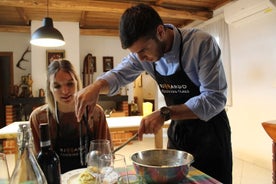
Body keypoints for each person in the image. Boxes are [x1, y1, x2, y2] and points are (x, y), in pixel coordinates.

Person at [74, 3, 232, 184]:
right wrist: (96, 86)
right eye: (135, 53)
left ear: (160, 31)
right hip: (179, 133)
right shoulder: (142, 55)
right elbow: (119, 74)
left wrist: (166, 113)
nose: (140, 59)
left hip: (211, 134)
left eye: (143, 50)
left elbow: (215, 98)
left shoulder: (201, 44)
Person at [30, 59, 113, 174]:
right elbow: (37, 165)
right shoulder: (39, 118)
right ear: (49, 88)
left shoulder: (95, 113)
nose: (65, 91)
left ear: (77, 83)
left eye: (70, 83)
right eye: (57, 86)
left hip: (90, 178)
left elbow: (105, 155)